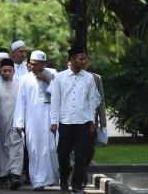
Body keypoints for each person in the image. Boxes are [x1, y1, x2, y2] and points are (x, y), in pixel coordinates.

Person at [50, 47, 100, 194]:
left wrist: (92, 121)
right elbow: (55, 101)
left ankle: (76, 185)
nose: (84, 61)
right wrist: (54, 121)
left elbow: (92, 101)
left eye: (85, 59)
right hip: (65, 122)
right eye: (81, 59)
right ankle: (64, 177)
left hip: (83, 122)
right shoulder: (60, 77)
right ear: (71, 60)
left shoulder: (88, 78)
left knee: (81, 154)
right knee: (63, 153)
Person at [13, 50, 58, 190]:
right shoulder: (25, 79)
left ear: (43, 64)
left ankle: (50, 177)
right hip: (32, 120)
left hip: (50, 119)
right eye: (30, 64)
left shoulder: (54, 75)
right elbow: (21, 101)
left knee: (51, 149)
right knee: (33, 150)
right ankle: (38, 181)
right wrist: (19, 122)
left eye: (34, 64)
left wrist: (46, 80)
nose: (31, 66)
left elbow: (59, 94)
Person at [0, 58, 23, 190]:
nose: (6, 73)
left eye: (9, 70)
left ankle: (14, 175)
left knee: (16, 148)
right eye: (4, 70)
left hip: (16, 124)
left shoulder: (19, 85)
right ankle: (2, 176)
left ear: (13, 71)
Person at [83, 57, 107, 187]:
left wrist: (103, 121)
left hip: (91, 120)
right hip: (74, 120)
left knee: (90, 148)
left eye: (86, 61)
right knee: (78, 147)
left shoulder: (96, 78)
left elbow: (101, 101)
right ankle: (80, 171)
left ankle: (83, 168)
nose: (84, 64)